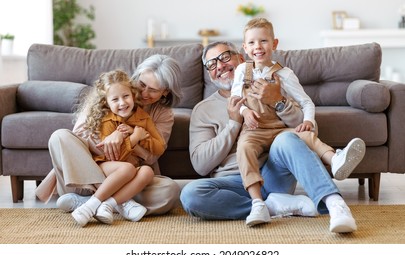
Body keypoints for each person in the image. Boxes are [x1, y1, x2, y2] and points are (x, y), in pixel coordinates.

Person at [180, 41, 358, 233]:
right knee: (191, 195)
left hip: (273, 175)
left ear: (242, 59)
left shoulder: (271, 87)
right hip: (232, 184)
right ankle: (272, 206)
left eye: (224, 57)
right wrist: (234, 123)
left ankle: (335, 205)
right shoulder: (203, 109)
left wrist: (278, 101)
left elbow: (307, 132)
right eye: (212, 64)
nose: (220, 66)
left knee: (287, 139)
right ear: (209, 73)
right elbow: (201, 164)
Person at [230, 17, 365, 226]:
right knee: (244, 148)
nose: (258, 46)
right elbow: (235, 100)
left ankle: (335, 159)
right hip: (254, 129)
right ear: (245, 48)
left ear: (274, 44)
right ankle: (258, 204)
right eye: (252, 43)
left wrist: (309, 121)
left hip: (279, 129)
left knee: (304, 135)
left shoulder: (284, 74)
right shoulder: (241, 71)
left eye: (264, 41)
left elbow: (306, 102)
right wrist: (245, 111)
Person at [35, 54, 183, 219]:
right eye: (142, 84)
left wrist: (130, 139)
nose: (143, 93)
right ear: (137, 78)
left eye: (153, 90)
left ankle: (87, 202)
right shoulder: (114, 90)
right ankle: (120, 203)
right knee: (59, 136)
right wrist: (112, 137)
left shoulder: (163, 114)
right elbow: (79, 136)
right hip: (87, 174)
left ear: (165, 92)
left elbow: (152, 156)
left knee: (170, 191)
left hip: (128, 175)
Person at [71, 69, 166, 227]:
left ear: (133, 94)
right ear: (106, 102)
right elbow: (114, 157)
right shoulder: (108, 120)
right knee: (127, 168)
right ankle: (90, 206)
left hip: (128, 168)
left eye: (126, 96)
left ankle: (108, 204)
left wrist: (143, 136)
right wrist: (134, 138)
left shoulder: (143, 117)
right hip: (106, 165)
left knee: (147, 171)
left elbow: (159, 148)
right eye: (115, 99)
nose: (122, 103)